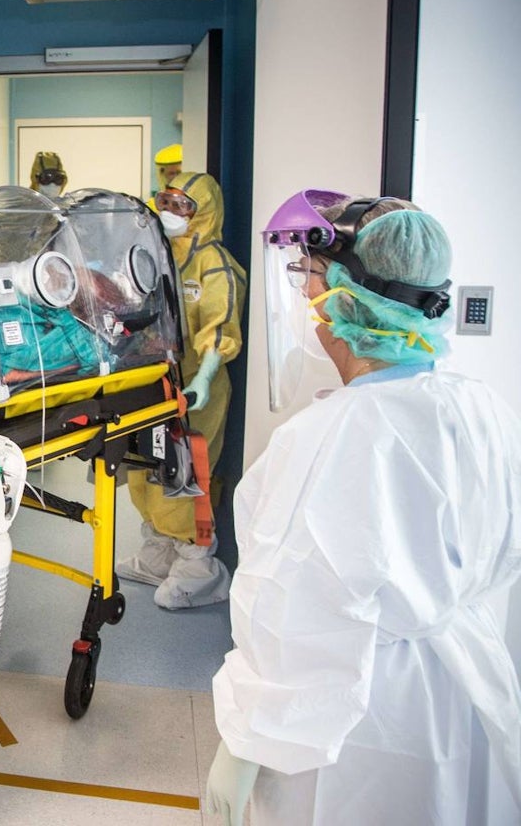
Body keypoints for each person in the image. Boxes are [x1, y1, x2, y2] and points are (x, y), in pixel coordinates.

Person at [206, 191, 521, 824]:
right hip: (465, 689)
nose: (304, 294)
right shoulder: (479, 406)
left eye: (312, 276)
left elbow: (289, 611)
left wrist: (246, 740)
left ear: (350, 296)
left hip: (354, 724)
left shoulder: (327, 436)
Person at [118, 172, 246, 609]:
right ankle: (158, 551)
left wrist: (204, 378)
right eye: (165, 202)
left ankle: (199, 565)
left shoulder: (216, 264)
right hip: (150, 381)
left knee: (189, 473)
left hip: (192, 389)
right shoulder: (153, 253)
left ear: (204, 212)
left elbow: (219, 327)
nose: (170, 213)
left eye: (182, 206)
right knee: (147, 467)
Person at [146, 143, 183, 211]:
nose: (176, 178)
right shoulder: (154, 205)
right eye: (171, 173)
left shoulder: (200, 200)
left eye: (179, 173)